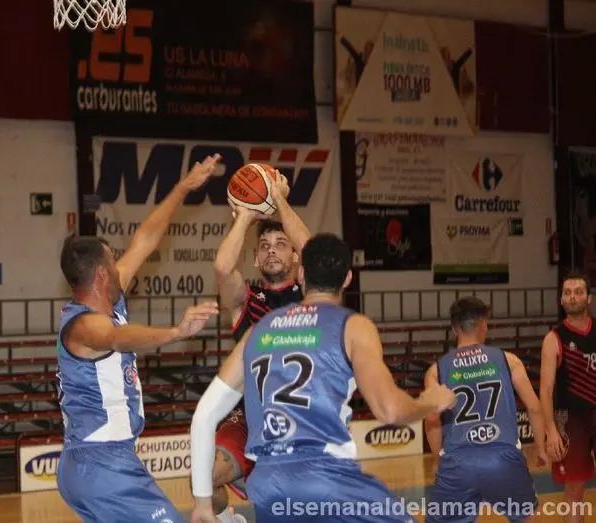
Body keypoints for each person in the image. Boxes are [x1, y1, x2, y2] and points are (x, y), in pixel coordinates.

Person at [188, 233, 456, 523]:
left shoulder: (258, 330)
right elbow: (390, 410)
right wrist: (430, 402)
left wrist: (202, 502)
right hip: (327, 476)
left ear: (302, 274)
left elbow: (203, 416)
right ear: (348, 278)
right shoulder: (353, 325)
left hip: (269, 485)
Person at [55, 155, 222, 523]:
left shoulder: (109, 301)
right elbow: (117, 338)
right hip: (102, 462)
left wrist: (184, 187)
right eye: (113, 261)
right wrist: (176, 332)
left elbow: (145, 239)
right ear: (102, 274)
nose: (122, 265)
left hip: (94, 463)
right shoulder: (83, 326)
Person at [205, 172, 310, 522]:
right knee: (203, 476)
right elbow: (223, 268)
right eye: (264, 246)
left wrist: (278, 198)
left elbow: (313, 251)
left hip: (301, 421)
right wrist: (246, 214)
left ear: (295, 257)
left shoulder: (311, 298)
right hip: (250, 416)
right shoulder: (246, 300)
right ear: (255, 259)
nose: (272, 250)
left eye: (281, 244)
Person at [423, 297, 547, 523]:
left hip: (458, 461)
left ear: (454, 329)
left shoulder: (436, 371)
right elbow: (534, 407)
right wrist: (540, 447)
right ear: (484, 325)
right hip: (504, 458)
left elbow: (432, 420)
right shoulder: (509, 361)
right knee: (529, 518)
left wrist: (438, 459)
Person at [540, 270, 595, 523]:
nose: (573, 297)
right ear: (561, 299)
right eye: (568, 293)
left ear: (589, 298)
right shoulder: (554, 339)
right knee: (574, 488)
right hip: (569, 419)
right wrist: (551, 430)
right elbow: (546, 390)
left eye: (579, 292)